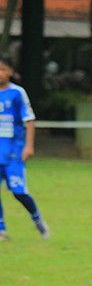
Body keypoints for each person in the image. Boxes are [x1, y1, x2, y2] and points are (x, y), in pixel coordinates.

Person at [0, 53, 48, 242]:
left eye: (3, 69)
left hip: (13, 153)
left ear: (11, 71)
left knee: (19, 192)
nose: (0, 73)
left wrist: (29, 146)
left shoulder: (17, 93)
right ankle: (1, 230)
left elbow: (30, 120)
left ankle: (37, 218)